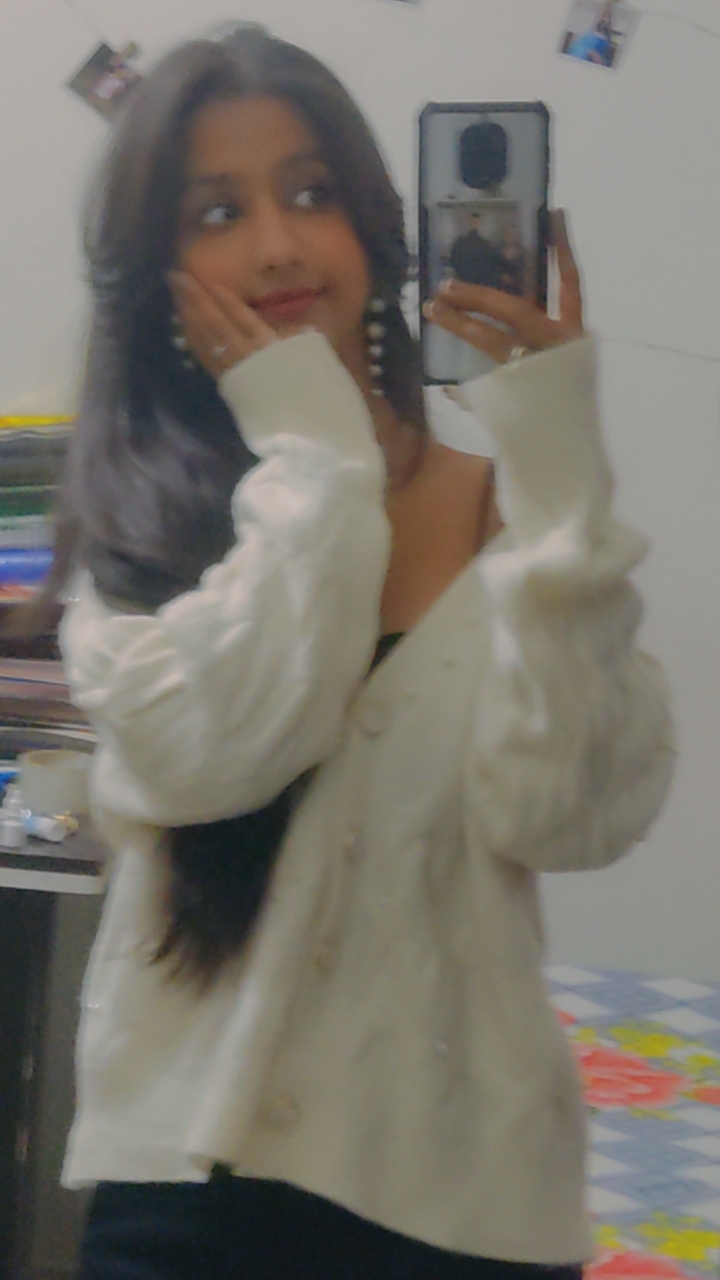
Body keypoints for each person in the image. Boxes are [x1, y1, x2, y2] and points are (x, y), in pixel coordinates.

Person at [46, 25, 674, 1280]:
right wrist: (319, 458)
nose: (278, 245)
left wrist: (561, 470)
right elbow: (211, 758)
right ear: (158, 273)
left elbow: (572, 814)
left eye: (312, 192)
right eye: (218, 210)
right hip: (186, 1191)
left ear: (377, 229)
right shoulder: (134, 535)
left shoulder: (517, 512)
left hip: (467, 1199)